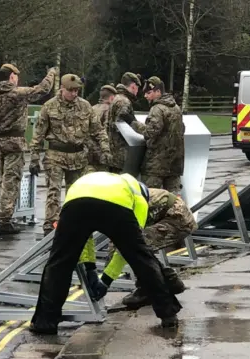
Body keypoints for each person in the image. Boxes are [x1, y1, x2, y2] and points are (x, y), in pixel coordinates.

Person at [29, 172, 182, 335]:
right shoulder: (139, 198)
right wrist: (107, 279)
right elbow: (127, 251)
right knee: (142, 259)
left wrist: (91, 269)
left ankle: (45, 322)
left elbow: (84, 237)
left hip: (75, 201)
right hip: (115, 206)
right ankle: (168, 315)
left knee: (59, 263)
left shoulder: (105, 179)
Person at [29, 74, 111, 237]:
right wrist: (34, 158)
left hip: (78, 156)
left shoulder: (85, 106)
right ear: (62, 89)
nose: (74, 94)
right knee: (54, 191)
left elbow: (98, 130)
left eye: (77, 91)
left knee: (75, 194)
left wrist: (105, 149)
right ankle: (50, 226)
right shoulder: (49, 107)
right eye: (71, 90)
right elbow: (38, 134)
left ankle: (72, 224)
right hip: (55, 155)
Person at [90, 187, 197, 309]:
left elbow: (126, 245)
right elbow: (114, 242)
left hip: (178, 219)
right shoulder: (109, 202)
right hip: (169, 215)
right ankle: (168, 281)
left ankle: (158, 286)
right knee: (133, 246)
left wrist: (105, 281)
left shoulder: (121, 207)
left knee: (136, 247)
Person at [0, 64, 57, 235]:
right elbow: (43, 89)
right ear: (12, 77)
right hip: (15, 143)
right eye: (16, 75)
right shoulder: (18, 93)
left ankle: (3, 216)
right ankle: (5, 220)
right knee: (11, 181)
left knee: (2, 180)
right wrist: (51, 73)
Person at [122, 76, 185, 193]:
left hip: (156, 166)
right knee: (174, 200)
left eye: (149, 93)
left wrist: (132, 122)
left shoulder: (157, 109)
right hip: (175, 164)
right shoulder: (176, 108)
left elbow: (150, 132)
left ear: (158, 92)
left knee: (152, 197)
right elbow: (182, 129)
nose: (145, 96)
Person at [106, 72, 141, 173]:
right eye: (137, 88)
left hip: (114, 150)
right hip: (120, 152)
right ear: (134, 86)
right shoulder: (124, 101)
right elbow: (122, 126)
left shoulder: (117, 98)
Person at [87, 84, 117, 172]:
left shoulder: (91, 108)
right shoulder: (109, 110)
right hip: (102, 152)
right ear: (111, 98)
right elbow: (107, 131)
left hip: (89, 151)